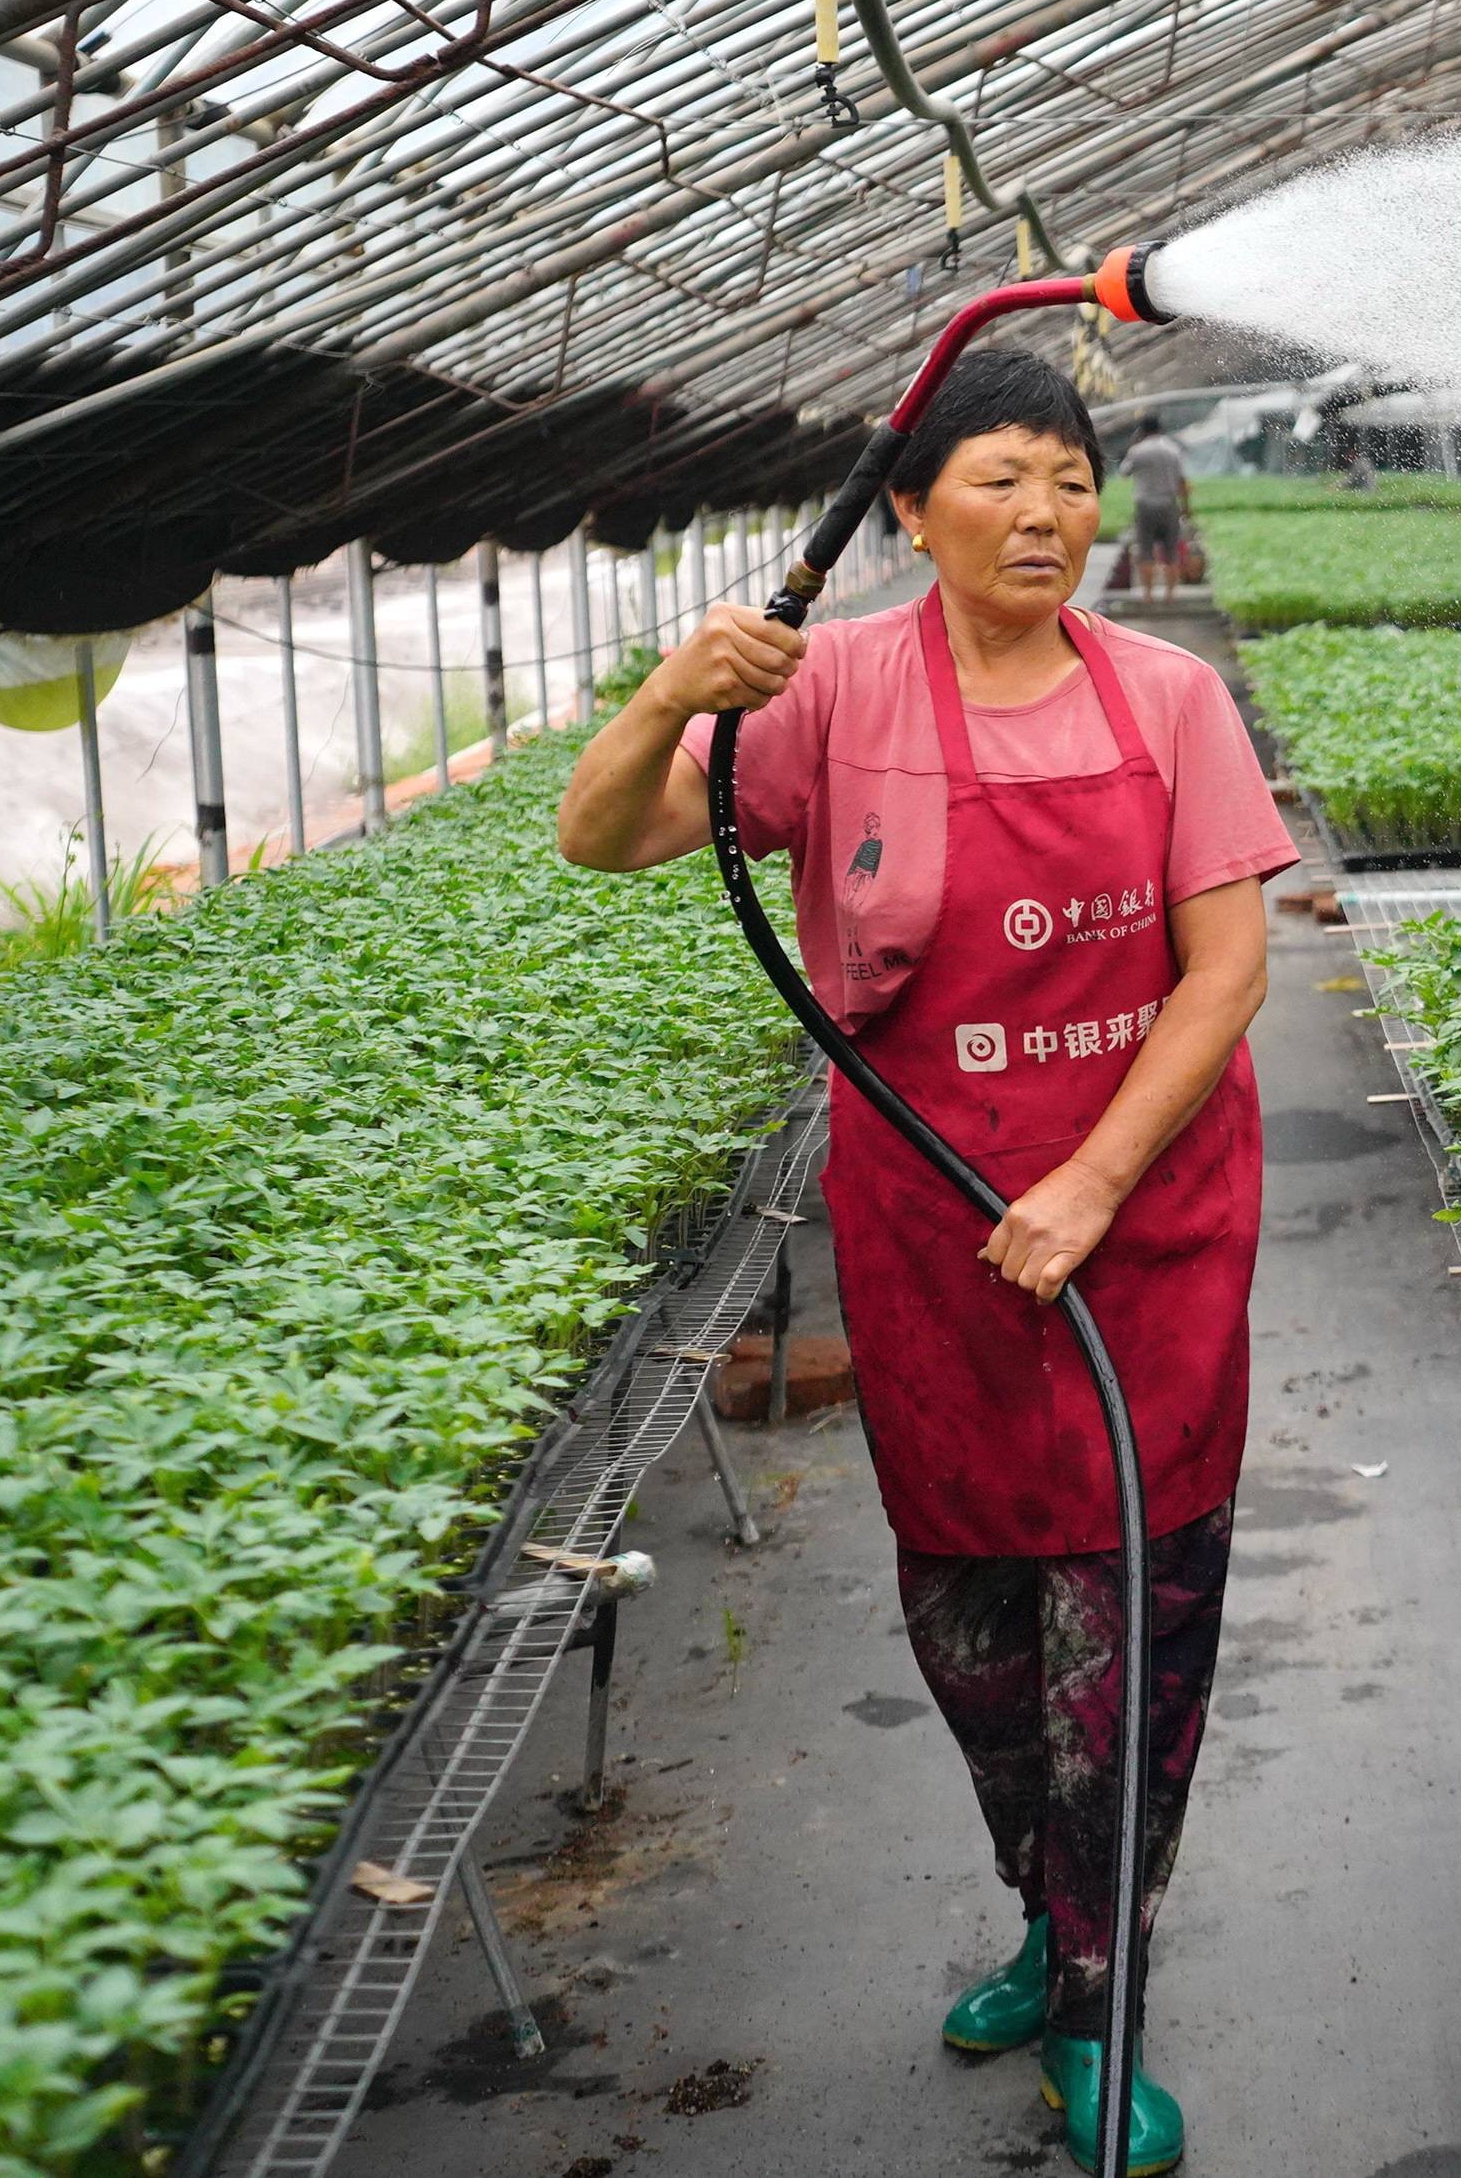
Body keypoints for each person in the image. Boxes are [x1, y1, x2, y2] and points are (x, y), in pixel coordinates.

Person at [554, 349, 1294, 2175]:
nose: (1044, 515)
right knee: (970, 1628)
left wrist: (1095, 1185)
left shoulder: (1176, 698)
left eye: (1069, 480)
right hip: (937, 1233)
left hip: (1146, 1234)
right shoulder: (834, 692)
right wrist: (669, 693)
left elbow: (1228, 973)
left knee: (1132, 1640)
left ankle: (1107, 1997)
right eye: (1000, 481)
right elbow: (601, 838)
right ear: (907, 507)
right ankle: (1043, 1915)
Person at [1120, 429, 1195, 595]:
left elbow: (1124, 472)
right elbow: (1182, 480)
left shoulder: (1137, 450)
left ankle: (1148, 595)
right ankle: (1170, 594)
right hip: (1168, 504)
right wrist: (1186, 506)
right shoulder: (1173, 449)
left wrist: (1133, 447)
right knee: (1171, 551)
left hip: (1145, 505)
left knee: (1145, 550)